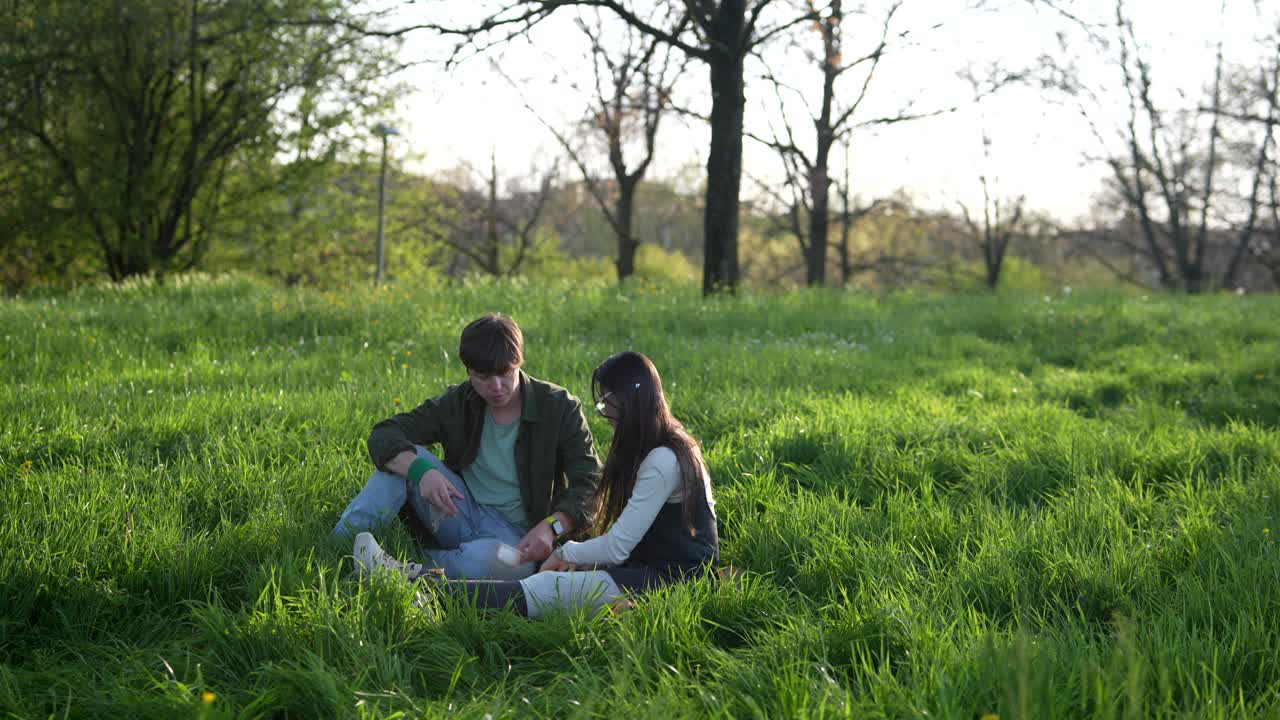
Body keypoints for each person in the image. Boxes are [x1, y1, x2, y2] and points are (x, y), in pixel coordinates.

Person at [353, 351, 720, 619]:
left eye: (607, 402)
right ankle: (411, 579)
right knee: (547, 585)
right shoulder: (672, 445)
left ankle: (414, 585)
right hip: (651, 569)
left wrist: (564, 551)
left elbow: (620, 544)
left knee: (546, 589)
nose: (605, 412)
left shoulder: (662, 460)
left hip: (670, 581)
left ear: (628, 400)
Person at [333, 314, 602, 580]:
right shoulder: (459, 402)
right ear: (469, 371)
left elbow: (590, 483)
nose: (496, 387)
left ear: (520, 361)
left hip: (519, 540)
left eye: (505, 373)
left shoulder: (559, 406)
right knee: (400, 460)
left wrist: (552, 527)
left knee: (509, 566)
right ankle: (339, 550)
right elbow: (384, 434)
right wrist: (421, 471)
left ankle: (404, 566)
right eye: (483, 376)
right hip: (458, 510)